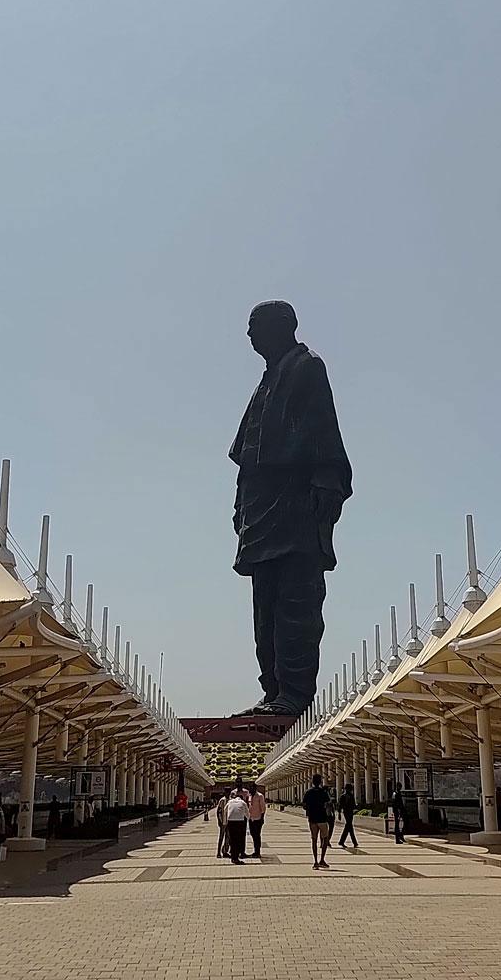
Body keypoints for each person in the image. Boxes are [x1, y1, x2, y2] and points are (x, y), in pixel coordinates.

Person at [230, 301, 353, 717]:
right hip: (262, 511)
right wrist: (240, 504)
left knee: (296, 604)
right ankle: (273, 691)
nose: (249, 335)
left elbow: (324, 430)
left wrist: (326, 480)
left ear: (282, 326)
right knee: (264, 610)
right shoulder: (265, 381)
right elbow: (246, 454)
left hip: (295, 506)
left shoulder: (306, 367)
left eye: (255, 326)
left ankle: (295, 695)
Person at [303, 773, 333, 870]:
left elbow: (304, 805)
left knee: (314, 839)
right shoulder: (323, 792)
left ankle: (315, 861)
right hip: (322, 818)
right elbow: (328, 804)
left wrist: (310, 809)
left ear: (312, 781)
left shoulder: (308, 792)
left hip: (312, 819)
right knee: (325, 839)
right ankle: (322, 859)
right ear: (320, 782)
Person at [225, 789, 250, 864]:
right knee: (238, 840)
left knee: (232, 840)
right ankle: (236, 858)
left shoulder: (230, 802)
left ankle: (233, 857)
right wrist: (249, 819)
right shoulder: (243, 802)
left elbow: (225, 810)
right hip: (239, 822)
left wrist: (225, 821)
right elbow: (247, 814)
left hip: (230, 822)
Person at [247, 784, 266, 858]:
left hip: (258, 818)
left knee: (257, 835)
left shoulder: (260, 796)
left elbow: (263, 808)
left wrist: (262, 818)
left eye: (252, 788)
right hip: (251, 818)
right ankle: (255, 851)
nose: (251, 790)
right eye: (250, 788)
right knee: (253, 834)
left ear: (255, 788)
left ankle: (257, 852)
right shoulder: (249, 796)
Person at [337, 782, 357, 848]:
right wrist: (339, 813)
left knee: (349, 826)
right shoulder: (345, 796)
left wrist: (339, 813)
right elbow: (340, 805)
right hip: (347, 812)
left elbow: (340, 806)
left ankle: (343, 841)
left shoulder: (347, 796)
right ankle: (352, 842)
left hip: (348, 812)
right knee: (349, 826)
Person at [215, 792, 230, 858]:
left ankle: (225, 851)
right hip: (223, 822)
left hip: (228, 821)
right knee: (221, 837)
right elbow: (218, 811)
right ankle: (218, 852)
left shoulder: (230, 800)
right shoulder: (222, 800)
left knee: (228, 837)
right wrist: (219, 820)